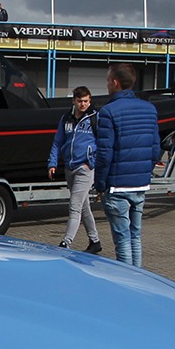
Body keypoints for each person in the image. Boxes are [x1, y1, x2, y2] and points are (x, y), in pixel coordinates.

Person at [94, 64, 160, 267]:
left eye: (107, 81)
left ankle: (127, 283)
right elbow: (155, 149)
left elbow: (105, 153)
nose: (107, 85)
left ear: (115, 82)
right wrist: (144, 172)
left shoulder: (108, 112)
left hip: (117, 185)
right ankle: (138, 278)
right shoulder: (150, 109)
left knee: (122, 239)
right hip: (140, 184)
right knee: (135, 236)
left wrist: (100, 185)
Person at [46, 86, 102, 254]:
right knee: (84, 207)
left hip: (85, 168)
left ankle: (66, 242)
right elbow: (57, 142)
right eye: (79, 101)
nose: (83, 104)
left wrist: (91, 162)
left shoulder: (95, 119)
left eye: (86, 101)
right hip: (69, 167)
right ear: (74, 101)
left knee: (74, 206)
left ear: (90, 100)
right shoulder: (66, 119)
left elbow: (103, 144)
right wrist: (52, 163)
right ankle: (95, 241)